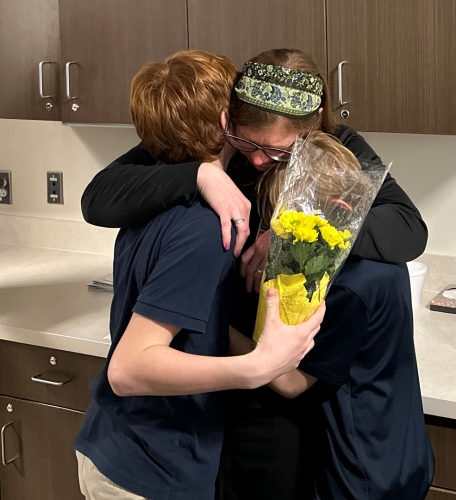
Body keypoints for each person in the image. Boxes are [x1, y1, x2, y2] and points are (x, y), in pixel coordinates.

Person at [80, 48, 429, 499]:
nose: (259, 161)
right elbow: (98, 196)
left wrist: (291, 232)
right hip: (223, 378)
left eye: (277, 152)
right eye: (249, 144)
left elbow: (406, 228)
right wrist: (202, 176)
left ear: (315, 125)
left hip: (267, 379)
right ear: (228, 122)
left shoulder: (337, 148)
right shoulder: (214, 146)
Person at [73, 50, 325, 500]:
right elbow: (128, 369)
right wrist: (259, 364)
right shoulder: (208, 227)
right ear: (227, 120)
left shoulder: (153, 196)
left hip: (119, 445)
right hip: (150, 467)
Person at [242, 131, 435, 499]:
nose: (281, 243)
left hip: (358, 473)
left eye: (288, 228)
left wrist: (218, 328)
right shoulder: (388, 264)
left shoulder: (345, 289)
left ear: (340, 211)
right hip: (403, 452)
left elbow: (290, 383)